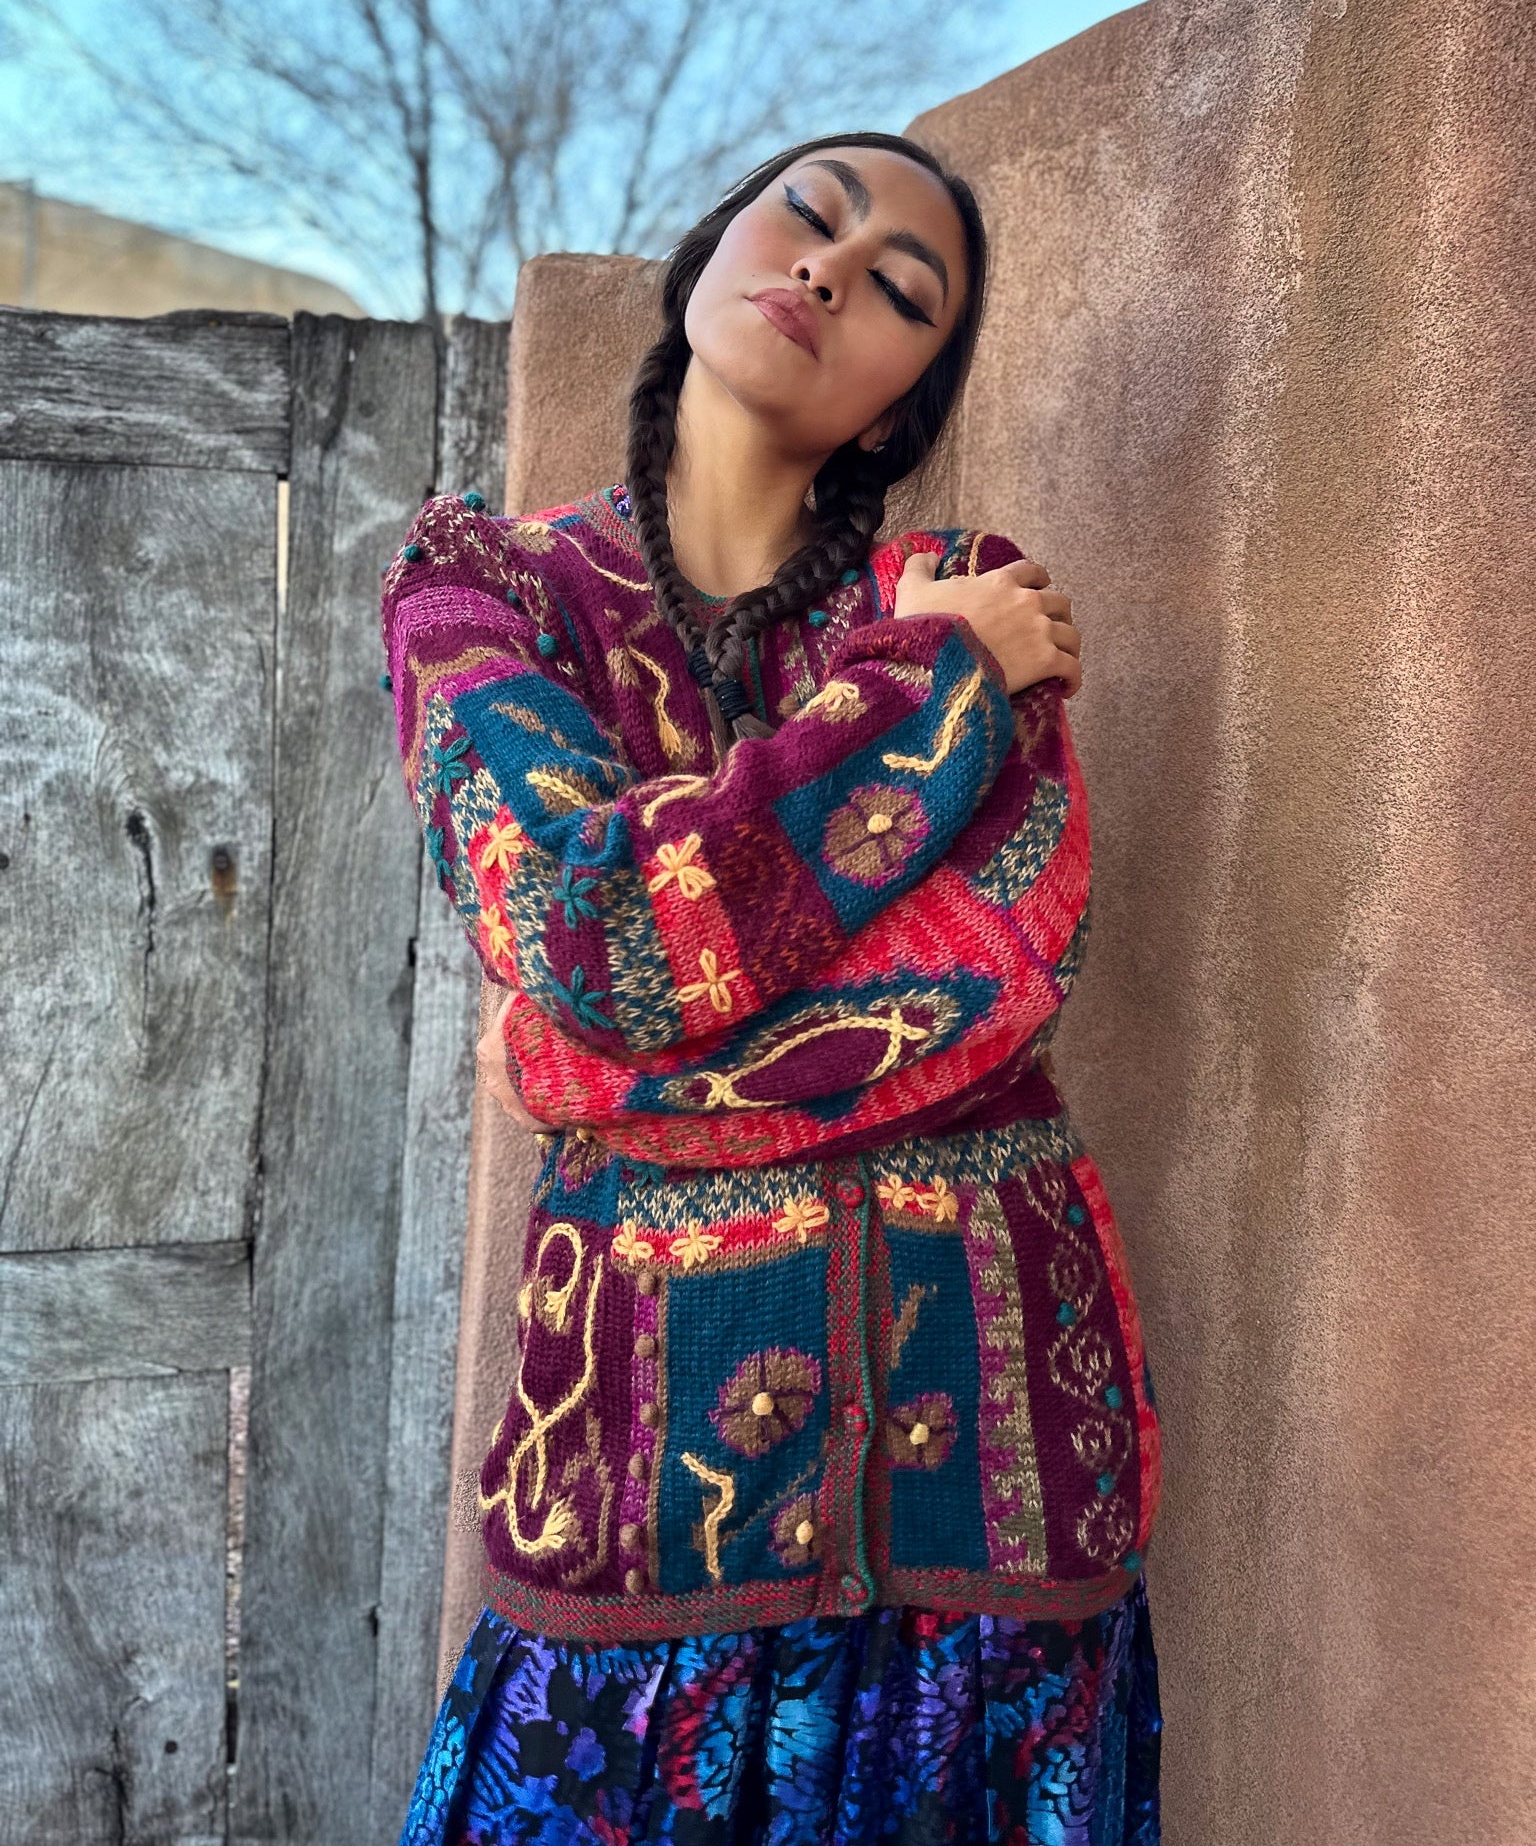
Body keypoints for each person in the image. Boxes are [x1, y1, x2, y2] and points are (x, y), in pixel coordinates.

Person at [381, 130, 1164, 1844]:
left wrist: (592, 1070)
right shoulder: (483, 591)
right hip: (635, 1505)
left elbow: (1001, 973)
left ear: (895, 410)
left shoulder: (956, 582)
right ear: (713, 250)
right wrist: (929, 692)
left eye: (900, 289)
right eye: (810, 215)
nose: (829, 268)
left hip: (992, 1508)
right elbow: (584, 922)